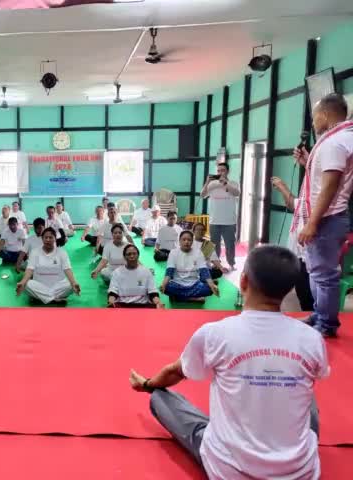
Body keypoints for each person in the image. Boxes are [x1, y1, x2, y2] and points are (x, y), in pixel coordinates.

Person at [129, 245, 329, 480]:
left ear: (243, 282)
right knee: (305, 387)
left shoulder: (216, 334)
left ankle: (152, 393)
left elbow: (175, 372)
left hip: (228, 470)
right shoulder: (312, 339)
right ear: (290, 289)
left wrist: (148, 384)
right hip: (300, 473)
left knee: (162, 398)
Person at [293, 93, 353, 337]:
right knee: (317, 270)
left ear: (325, 115)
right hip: (330, 216)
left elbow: (330, 185)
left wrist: (313, 223)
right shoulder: (341, 139)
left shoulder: (334, 143)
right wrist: (308, 161)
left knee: (324, 274)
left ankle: (326, 324)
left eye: (314, 116)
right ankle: (320, 315)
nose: (313, 121)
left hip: (327, 218)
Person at [271, 178, 314, 311]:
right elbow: (293, 205)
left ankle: (319, 321)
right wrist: (281, 188)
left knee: (311, 292)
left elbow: (299, 206)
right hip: (300, 253)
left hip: (311, 251)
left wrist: (282, 186)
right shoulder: (307, 188)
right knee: (303, 290)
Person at [16, 227, 81, 304]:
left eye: (50, 237)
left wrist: (74, 283)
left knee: (70, 285)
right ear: (42, 239)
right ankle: (54, 299)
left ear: (55, 239)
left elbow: (68, 269)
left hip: (58, 286)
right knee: (27, 284)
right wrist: (22, 282)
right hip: (40, 285)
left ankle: (42, 298)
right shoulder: (35, 252)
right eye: (45, 237)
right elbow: (30, 269)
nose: (48, 240)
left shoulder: (62, 252)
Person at [201, 162, 240, 271]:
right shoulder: (212, 185)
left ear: (227, 171)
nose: (220, 172)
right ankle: (215, 263)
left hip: (229, 221)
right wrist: (207, 182)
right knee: (214, 245)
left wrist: (225, 184)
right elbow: (202, 195)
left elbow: (237, 193)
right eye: (218, 171)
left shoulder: (233, 183)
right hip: (214, 220)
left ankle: (231, 263)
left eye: (222, 170)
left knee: (230, 244)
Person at [161, 230, 219, 303]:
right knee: (166, 288)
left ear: (192, 241)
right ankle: (193, 298)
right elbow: (169, 271)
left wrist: (212, 285)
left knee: (210, 290)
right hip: (177, 284)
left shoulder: (198, 253)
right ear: (179, 241)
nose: (186, 242)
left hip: (194, 284)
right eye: (184, 239)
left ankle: (180, 298)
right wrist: (163, 285)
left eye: (189, 240)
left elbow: (204, 271)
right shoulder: (173, 252)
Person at [108, 244, 164, 309]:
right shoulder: (117, 273)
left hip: (143, 305)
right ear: (124, 257)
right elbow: (113, 292)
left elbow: (153, 292)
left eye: (134, 254)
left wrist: (158, 302)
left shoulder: (146, 272)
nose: (132, 256)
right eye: (129, 254)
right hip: (122, 305)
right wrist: (111, 301)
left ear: (138, 255)